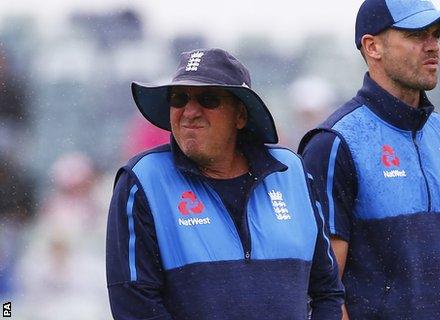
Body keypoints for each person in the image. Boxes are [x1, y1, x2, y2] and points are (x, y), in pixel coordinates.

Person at [106, 48, 344, 319]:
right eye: (179, 98)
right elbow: (135, 306)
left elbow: (327, 293)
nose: (189, 112)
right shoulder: (142, 180)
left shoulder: (293, 172)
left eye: (208, 99)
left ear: (240, 115)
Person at [298, 1, 440, 319]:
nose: (432, 47)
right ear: (373, 47)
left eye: (436, 35)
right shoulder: (334, 144)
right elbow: (321, 294)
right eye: (416, 35)